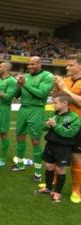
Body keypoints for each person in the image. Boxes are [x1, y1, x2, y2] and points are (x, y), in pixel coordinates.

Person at [12, 57, 54, 183]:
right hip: (23, 109)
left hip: (36, 109)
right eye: (28, 64)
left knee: (35, 141)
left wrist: (25, 84)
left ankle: (37, 172)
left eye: (32, 64)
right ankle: (20, 164)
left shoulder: (47, 76)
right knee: (19, 137)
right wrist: (19, 86)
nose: (29, 66)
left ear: (39, 64)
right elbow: (16, 95)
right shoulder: (27, 76)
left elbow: (41, 94)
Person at [36, 94, 81, 203]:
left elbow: (70, 133)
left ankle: (58, 193)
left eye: (55, 102)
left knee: (60, 168)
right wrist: (47, 125)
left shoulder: (74, 117)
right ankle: (48, 188)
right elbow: (43, 127)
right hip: (51, 144)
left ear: (65, 103)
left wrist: (55, 126)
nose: (53, 105)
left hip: (63, 147)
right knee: (49, 166)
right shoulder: (53, 114)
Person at [55, 55, 81, 203]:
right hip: (61, 121)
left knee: (77, 158)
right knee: (57, 154)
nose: (67, 68)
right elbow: (58, 99)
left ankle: (76, 190)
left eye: (70, 65)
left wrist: (65, 90)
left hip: (78, 125)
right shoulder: (65, 80)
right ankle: (54, 183)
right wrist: (57, 88)